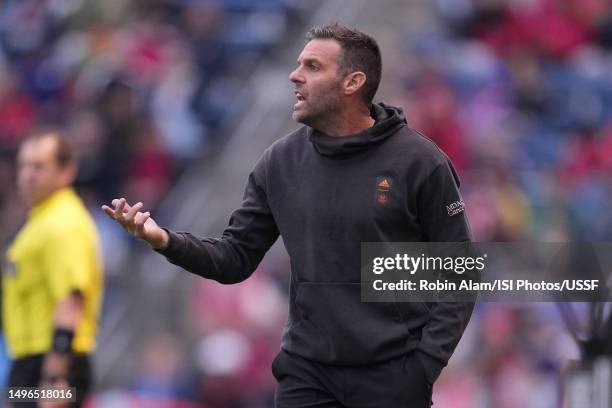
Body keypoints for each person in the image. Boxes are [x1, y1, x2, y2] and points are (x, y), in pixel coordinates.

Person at [102, 23, 475, 407]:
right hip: (307, 375)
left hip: (391, 378)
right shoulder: (279, 162)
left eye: (313, 67)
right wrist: (164, 239)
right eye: (299, 64)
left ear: (353, 82)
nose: (295, 75)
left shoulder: (419, 162)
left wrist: (424, 367)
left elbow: (461, 274)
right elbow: (234, 259)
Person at [4, 131, 103, 407]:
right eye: (24, 165)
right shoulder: (41, 220)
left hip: (52, 364)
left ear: (66, 172)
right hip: (31, 362)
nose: (28, 174)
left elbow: (71, 297)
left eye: (39, 167)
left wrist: (53, 379)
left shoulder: (62, 224)